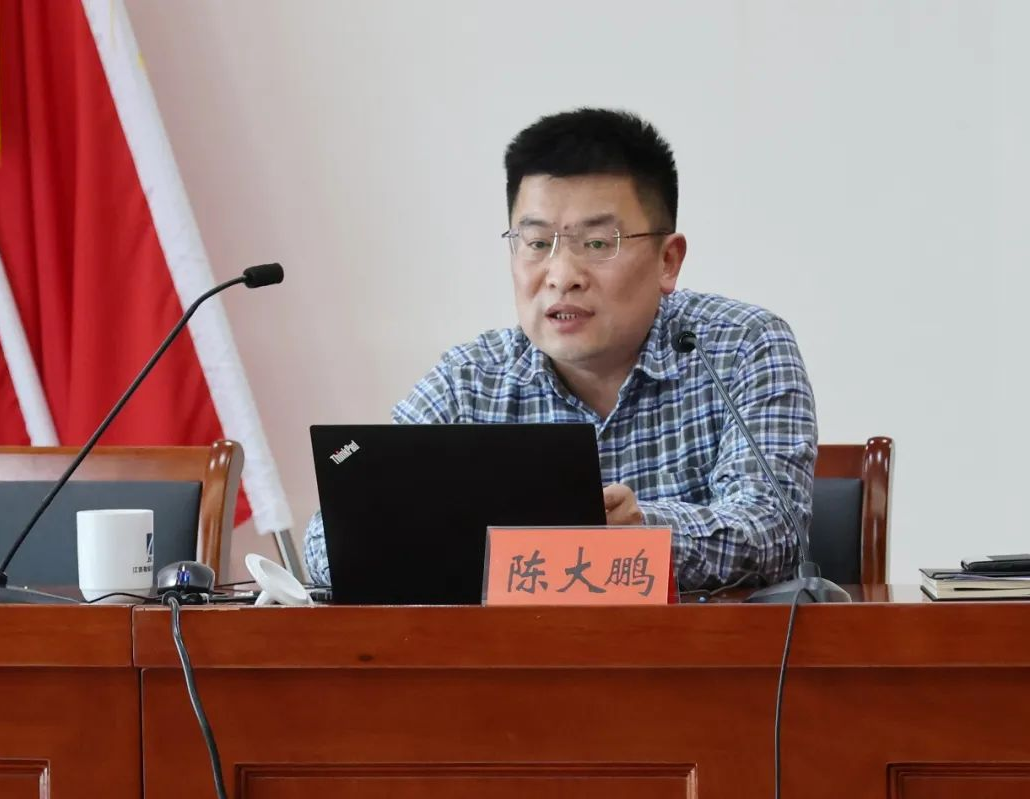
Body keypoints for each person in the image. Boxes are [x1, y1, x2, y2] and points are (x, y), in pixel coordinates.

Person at [304, 108, 817, 592]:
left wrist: (640, 533)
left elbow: (774, 531)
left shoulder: (741, 347)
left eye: (598, 243)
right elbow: (331, 539)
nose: (562, 276)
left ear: (668, 261)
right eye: (536, 243)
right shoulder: (470, 380)